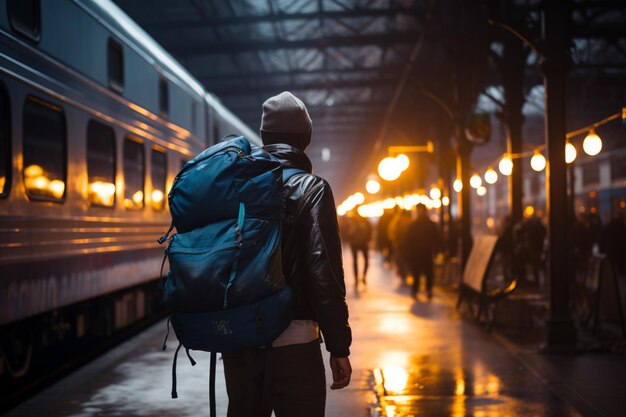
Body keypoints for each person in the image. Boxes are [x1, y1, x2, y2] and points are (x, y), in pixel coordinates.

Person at [221, 92, 352, 417]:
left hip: (239, 344)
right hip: (293, 344)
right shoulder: (313, 189)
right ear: (305, 139)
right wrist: (339, 347)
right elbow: (324, 277)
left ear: (264, 138)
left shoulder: (236, 186)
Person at [404, 204, 442, 299]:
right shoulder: (429, 224)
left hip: (420, 253)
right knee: (426, 272)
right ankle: (426, 290)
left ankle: (417, 290)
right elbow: (437, 238)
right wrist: (437, 250)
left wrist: (408, 254)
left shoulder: (414, 225)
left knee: (419, 272)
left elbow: (408, 240)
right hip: (425, 252)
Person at [345, 212, 372, 289]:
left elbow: (346, 232)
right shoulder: (363, 220)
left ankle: (358, 278)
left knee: (356, 262)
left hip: (357, 243)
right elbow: (370, 231)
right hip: (360, 243)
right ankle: (361, 277)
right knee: (364, 261)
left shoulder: (353, 221)